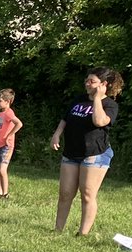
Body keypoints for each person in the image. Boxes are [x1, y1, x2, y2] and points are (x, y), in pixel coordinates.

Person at [50, 67, 124, 235]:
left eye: (92, 81)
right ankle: (57, 230)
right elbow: (65, 119)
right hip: (71, 152)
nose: (87, 84)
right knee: (65, 193)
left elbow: (99, 121)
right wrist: (56, 135)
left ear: (104, 84)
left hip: (95, 154)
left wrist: (97, 98)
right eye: (87, 80)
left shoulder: (110, 105)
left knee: (87, 194)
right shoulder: (79, 99)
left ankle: (82, 233)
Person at [0, 89, 23, 198]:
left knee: (2, 170)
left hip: (6, 146)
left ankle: (5, 194)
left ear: (7, 101)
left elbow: (19, 124)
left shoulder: (9, 113)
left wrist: (10, 135)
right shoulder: (0, 114)